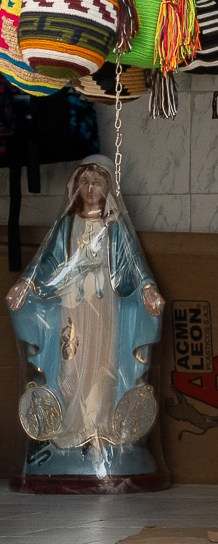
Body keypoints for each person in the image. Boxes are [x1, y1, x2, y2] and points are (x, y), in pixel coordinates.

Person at [6, 158, 164, 486]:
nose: (91, 190)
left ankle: (100, 431)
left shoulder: (115, 226)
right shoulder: (66, 225)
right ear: (77, 187)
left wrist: (147, 288)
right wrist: (26, 284)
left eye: (97, 183)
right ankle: (69, 431)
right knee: (71, 363)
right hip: (72, 308)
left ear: (107, 188)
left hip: (104, 305)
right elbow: (46, 261)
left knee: (103, 365)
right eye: (85, 183)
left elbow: (133, 264)